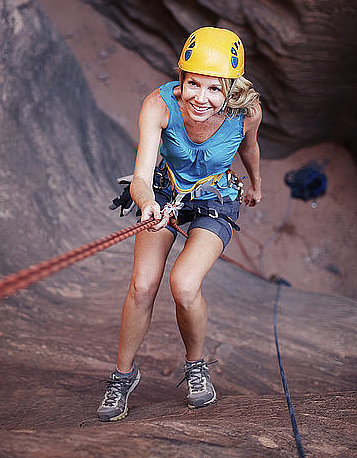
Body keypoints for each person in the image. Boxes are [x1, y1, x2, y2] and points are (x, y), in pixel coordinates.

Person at [97, 27, 262, 422]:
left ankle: (196, 367)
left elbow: (250, 148)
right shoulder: (158, 105)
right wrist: (148, 203)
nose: (200, 98)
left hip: (216, 198)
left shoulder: (247, 113)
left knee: (184, 284)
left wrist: (256, 185)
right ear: (181, 78)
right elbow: (140, 175)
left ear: (231, 89)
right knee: (142, 285)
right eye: (193, 84)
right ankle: (123, 376)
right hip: (163, 192)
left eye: (214, 89)